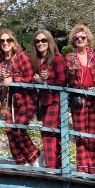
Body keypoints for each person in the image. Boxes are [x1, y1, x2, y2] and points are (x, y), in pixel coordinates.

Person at [64, 24, 95, 175]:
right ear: (73, 41)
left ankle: (94, 169)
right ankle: (82, 169)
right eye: (76, 38)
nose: (80, 40)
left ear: (88, 39)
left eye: (83, 37)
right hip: (79, 100)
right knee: (81, 135)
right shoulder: (70, 57)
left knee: (94, 136)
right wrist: (70, 71)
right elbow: (67, 80)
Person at [0, 28, 39, 166]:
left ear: (13, 42)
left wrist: (14, 79)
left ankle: (34, 157)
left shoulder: (21, 56)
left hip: (24, 99)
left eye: (8, 40)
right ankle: (21, 162)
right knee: (9, 130)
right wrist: (0, 77)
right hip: (7, 100)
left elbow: (30, 77)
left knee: (18, 129)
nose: (5, 43)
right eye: (2, 41)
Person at [30, 29, 66, 169]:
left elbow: (62, 80)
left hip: (55, 100)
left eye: (44, 40)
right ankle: (57, 164)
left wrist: (44, 83)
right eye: (37, 41)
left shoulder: (57, 58)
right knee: (51, 132)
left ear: (49, 42)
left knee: (48, 131)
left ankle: (52, 166)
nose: (40, 43)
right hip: (43, 101)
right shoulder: (36, 60)